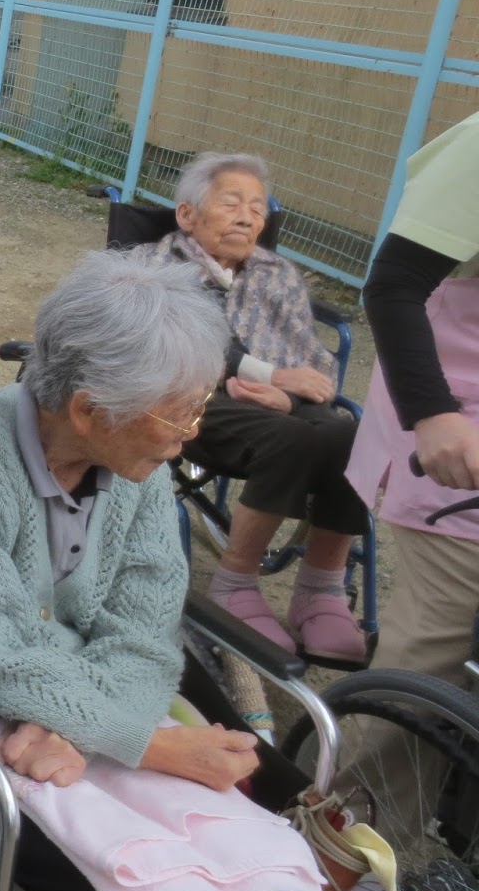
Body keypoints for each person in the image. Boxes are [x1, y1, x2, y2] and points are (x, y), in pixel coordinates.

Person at [0, 252, 319, 891]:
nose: (191, 435)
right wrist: (154, 747)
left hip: (84, 690)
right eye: (179, 416)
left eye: (199, 408)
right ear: (88, 410)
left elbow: (146, 630)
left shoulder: (140, 469)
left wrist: (74, 728)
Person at [139, 153, 370, 663]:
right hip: (189, 400)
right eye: (231, 204)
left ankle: (321, 590)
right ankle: (235, 583)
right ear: (187, 215)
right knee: (293, 437)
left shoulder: (276, 275)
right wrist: (268, 376)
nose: (247, 217)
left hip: (276, 406)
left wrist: (288, 395)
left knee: (353, 437)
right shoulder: (155, 268)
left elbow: (313, 364)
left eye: (258, 208)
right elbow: (170, 347)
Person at [348, 108, 479, 686]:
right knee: (442, 635)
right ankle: (372, 750)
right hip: (458, 424)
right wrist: (433, 414)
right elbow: (395, 282)